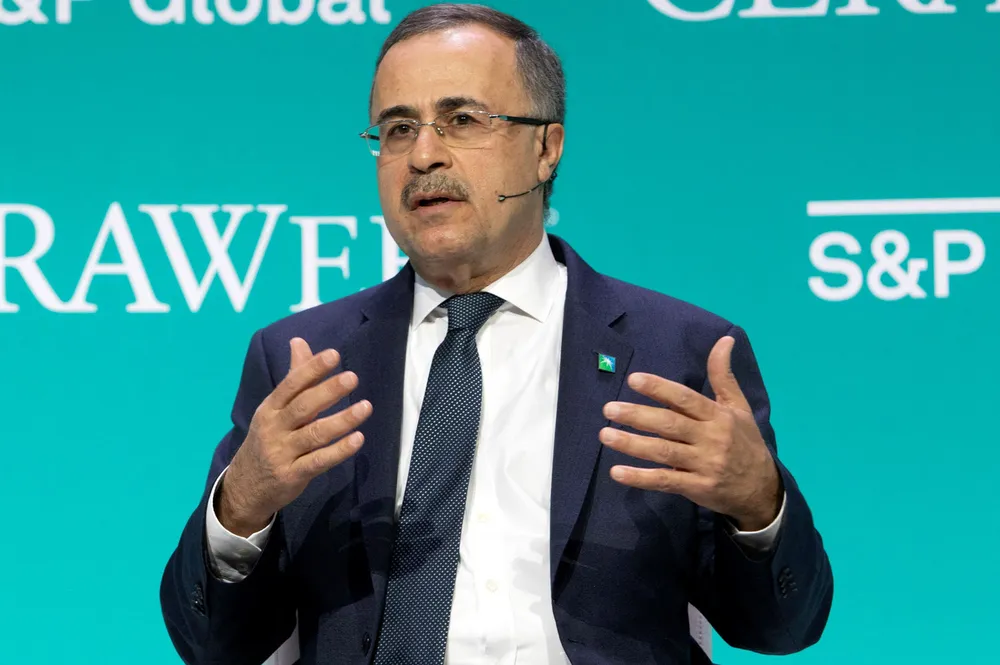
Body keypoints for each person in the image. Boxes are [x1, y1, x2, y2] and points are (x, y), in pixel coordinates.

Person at [159, 4, 833, 664]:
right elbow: (212, 645)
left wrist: (758, 503)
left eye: (462, 120)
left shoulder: (678, 353)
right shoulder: (302, 360)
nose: (424, 155)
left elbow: (781, 630)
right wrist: (239, 509)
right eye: (398, 129)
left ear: (546, 148)